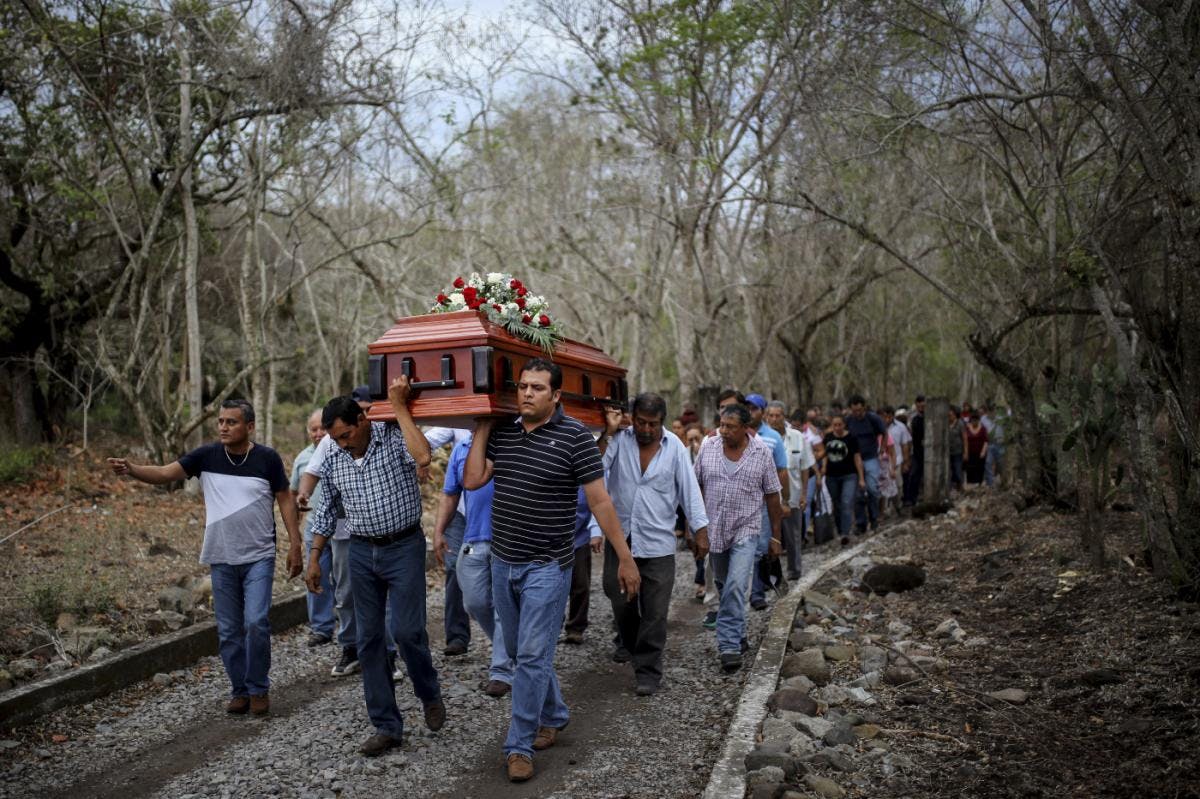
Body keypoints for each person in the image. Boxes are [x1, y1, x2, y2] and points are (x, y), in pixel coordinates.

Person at [464, 357, 640, 784]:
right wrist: (484, 424)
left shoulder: (576, 438)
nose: (526, 393)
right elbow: (471, 481)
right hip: (503, 562)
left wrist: (625, 557)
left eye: (537, 388)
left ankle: (518, 745)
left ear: (557, 395)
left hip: (548, 566)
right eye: (522, 386)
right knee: (530, 653)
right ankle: (555, 713)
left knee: (528, 655)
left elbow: (600, 502)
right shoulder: (503, 434)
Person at [108, 400, 301, 716]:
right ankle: (240, 690)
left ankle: (258, 688)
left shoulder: (266, 458)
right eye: (221, 421)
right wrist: (132, 469)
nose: (223, 427)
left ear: (249, 426)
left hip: (259, 556)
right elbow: (164, 473)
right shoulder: (206, 456)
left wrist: (296, 544)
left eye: (232, 422)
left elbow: (284, 499)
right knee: (228, 630)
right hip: (221, 557)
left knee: (255, 622)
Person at [304, 379, 444, 757]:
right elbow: (326, 508)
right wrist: (314, 556)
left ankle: (428, 692)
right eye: (336, 439)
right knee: (368, 640)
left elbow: (424, 457)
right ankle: (386, 725)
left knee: (407, 630)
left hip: (403, 546)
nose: (343, 444)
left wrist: (399, 407)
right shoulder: (334, 453)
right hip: (362, 552)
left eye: (347, 435)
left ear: (363, 420)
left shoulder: (393, 434)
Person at [598, 393, 709, 696]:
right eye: (641, 422)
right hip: (621, 538)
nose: (646, 429)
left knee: (656, 612)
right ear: (632, 418)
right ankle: (633, 646)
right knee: (618, 597)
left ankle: (648, 670)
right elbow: (594, 466)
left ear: (662, 421)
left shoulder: (674, 447)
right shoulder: (619, 440)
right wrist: (608, 431)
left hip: (659, 542)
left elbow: (689, 489)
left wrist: (700, 530)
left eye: (653, 424)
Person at [693, 403, 782, 674]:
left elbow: (772, 496)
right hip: (715, 530)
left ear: (746, 429)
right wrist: (694, 529)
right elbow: (694, 486)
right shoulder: (708, 448)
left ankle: (728, 645)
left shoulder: (761, 453)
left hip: (746, 529)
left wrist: (776, 537)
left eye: (730, 427)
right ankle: (739, 632)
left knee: (735, 585)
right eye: (722, 425)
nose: (724, 431)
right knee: (723, 583)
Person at [433, 432, 513, 697]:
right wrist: (438, 531)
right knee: (474, 602)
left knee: (504, 605)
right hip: (474, 537)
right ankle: (513, 648)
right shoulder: (462, 448)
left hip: (508, 538)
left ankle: (502, 670)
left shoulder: (512, 439)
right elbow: (449, 494)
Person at [425, 426, 473, 658]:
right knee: (454, 567)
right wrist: (420, 460)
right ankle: (456, 636)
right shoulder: (457, 419)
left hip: (494, 509)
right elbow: (427, 442)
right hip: (459, 508)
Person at [292, 410, 336, 648]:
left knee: (343, 578)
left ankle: (348, 624)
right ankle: (321, 628)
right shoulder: (302, 458)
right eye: (313, 429)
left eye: (322, 428)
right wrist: (295, 529)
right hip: (312, 527)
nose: (318, 433)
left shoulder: (341, 449)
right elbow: (293, 493)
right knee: (316, 576)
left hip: (342, 526)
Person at [742, 393, 789, 610]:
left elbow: (781, 470)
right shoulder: (735, 434)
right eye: (747, 408)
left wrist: (782, 500)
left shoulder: (772, 437)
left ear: (762, 412)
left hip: (763, 501)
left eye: (754, 408)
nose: (750, 412)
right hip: (740, 501)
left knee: (760, 547)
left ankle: (757, 593)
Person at [766, 401, 813, 581]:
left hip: (792, 495)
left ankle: (794, 570)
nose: (774, 419)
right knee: (769, 536)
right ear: (766, 417)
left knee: (793, 535)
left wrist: (803, 494)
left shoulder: (797, 437)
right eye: (771, 415)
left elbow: (805, 467)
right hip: (769, 498)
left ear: (784, 416)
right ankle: (772, 574)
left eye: (778, 415)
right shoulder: (761, 439)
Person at [563, 487, 602, 646]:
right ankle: (551, 624)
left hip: (580, 536)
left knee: (580, 584)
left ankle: (576, 628)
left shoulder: (584, 474)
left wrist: (595, 532)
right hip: (553, 536)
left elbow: (598, 502)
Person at [819, 414, 865, 544]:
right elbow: (825, 455)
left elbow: (857, 458)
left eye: (840, 425)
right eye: (835, 425)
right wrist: (823, 468)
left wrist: (861, 478)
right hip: (831, 476)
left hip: (849, 475)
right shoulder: (828, 438)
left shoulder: (852, 438)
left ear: (844, 425)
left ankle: (845, 533)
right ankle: (839, 530)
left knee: (846, 502)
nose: (837, 427)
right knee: (836, 503)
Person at [845, 395, 888, 533]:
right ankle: (860, 523)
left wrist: (882, 449)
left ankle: (874, 518)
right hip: (853, 459)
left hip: (870, 458)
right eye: (854, 410)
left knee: (872, 489)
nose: (857, 413)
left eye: (859, 410)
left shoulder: (873, 418)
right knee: (858, 493)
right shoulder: (849, 420)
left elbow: (884, 432)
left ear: (863, 407)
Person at [902, 396, 926, 506]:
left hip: (927, 451)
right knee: (915, 475)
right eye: (919, 405)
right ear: (916, 405)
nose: (921, 407)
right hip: (916, 451)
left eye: (923, 405)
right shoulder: (913, 418)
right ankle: (911, 498)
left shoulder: (929, 418)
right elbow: (910, 436)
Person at [963, 410, 990, 487]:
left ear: (978, 420)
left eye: (976, 420)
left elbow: (986, 441)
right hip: (970, 452)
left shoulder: (983, 429)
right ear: (970, 420)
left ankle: (980, 484)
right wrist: (965, 452)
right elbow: (965, 440)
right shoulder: (967, 428)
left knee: (980, 468)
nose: (974, 422)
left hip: (980, 452)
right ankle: (970, 485)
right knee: (970, 468)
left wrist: (983, 451)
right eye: (973, 420)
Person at [980, 403, 1004, 488]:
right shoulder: (983, 419)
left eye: (993, 410)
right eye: (989, 410)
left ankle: (1004, 481)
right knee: (988, 462)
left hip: (1000, 443)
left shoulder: (1001, 418)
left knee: (1001, 463)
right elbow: (981, 431)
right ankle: (990, 483)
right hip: (989, 443)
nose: (992, 412)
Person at [948, 406, 965, 490]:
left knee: (958, 469)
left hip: (958, 451)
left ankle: (960, 485)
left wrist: (966, 452)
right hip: (948, 452)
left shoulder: (960, 423)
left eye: (951, 415)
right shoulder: (946, 424)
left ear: (955, 415)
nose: (949, 417)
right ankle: (951, 487)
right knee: (949, 471)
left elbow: (964, 438)